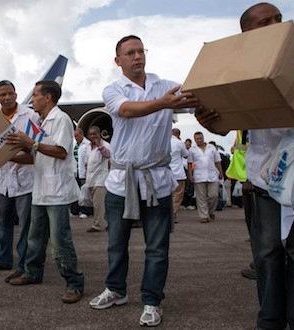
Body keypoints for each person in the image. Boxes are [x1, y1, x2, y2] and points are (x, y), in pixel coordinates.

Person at [195, 3, 294, 328]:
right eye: (265, 21)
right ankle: (269, 320)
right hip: (264, 178)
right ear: (247, 33)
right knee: (266, 255)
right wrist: (209, 120)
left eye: (279, 19)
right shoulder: (237, 70)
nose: (276, 24)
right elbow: (224, 128)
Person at [88, 35, 198, 327]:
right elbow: (126, 110)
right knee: (116, 242)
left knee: (157, 246)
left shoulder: (167, 86)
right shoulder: (113, 90)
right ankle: (116, 289)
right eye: (130, 53)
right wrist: (164, 104)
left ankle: (152, 300)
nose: (137, 57)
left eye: (140, 51)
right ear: (118, 61)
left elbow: (196, 102)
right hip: (120, 181)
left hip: (157, 181)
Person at [7, 80, 84, 304]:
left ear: (48, 97)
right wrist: (7, 156)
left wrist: (31, 142)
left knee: (61, 240)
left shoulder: (61, 119)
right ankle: (32, 272)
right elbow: (34, 155)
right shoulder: (38, 121)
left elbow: (60, 151)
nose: (32, 100)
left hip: (57, 191)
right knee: (35, 236)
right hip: (40, 188)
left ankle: (74, 282)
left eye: (36, 95)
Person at [0, 80, 38, 283]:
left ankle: (23, 265)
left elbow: (35, 150)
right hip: (1, 180)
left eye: (9, 94)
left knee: (25, 226)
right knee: (1, 223)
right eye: (2, 95)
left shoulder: (31, 116)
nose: (6, 98)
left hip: (25, 179)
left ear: (15, 94)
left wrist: (11, 155)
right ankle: (3, 258)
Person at [187, 132, 223, 223]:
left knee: (214, 195)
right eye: (197, 139)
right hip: (199, 176)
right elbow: (190, 163)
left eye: (200, 138)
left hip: (212, 174)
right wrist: (190, 175)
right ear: (194, 140)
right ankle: (204, 216)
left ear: (203, 138)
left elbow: (217, 161)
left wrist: (221, 172)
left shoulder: (212, 147)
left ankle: (210, 211)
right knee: (201, 197)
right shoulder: (192, 150)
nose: (199, 140)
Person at [85, 126, 111, 233]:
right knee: (97, 203)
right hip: (90, 179)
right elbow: (87, 162)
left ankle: (98, 225)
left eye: (94, 134)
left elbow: (108, 155)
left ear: (99, 134)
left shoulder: (105, 145)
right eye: (90, 134)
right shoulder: (88, 146)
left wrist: (99, 146)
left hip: (101, 179)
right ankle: (106, 223)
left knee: (98, 204)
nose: (92, 136)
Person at [169, 128, 188, 222]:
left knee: (167, 195)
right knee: (177, 195)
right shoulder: (179, 143)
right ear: (178, 134)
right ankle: (173, 214)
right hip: (178, 174)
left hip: (166, 173)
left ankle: (166, 215)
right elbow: (186, 155)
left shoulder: (163, 141)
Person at [71, 128, 90, 218]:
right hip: (75, 170)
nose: (76, 138)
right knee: (75, 191)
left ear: (82, 134)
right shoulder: (74, 144)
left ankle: (85, 210)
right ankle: (75, 210)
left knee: (84, 192)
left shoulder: (87, 144)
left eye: (77, 136)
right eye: (74, 136)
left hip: (83, 171)